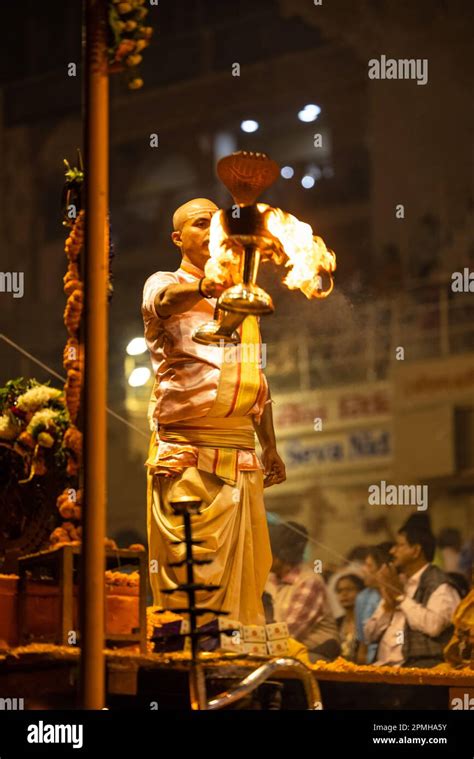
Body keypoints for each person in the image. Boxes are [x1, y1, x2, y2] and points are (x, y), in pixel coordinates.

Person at [142, 198, 286, 626]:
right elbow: (165, 301)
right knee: (192, 572)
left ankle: (240, 653)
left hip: (242, 453)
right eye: (200, 224)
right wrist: (207, 286)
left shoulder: (241, 298)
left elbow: (255, 378)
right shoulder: (164, 281)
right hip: (188, 451)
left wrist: (271, 447)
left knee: (249, 568)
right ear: (177, 237)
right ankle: (192, 662)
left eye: (215, 224)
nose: (210, 231)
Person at [364, 517, 461, 668]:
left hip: (420, 670)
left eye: (400, 545)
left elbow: (434, 626)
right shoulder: (398, 581)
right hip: (383, 667)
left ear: (415, 551)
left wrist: (400, 598)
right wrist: (388, 608)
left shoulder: (440, 585)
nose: (392, 551)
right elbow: (369, 635)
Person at [265, 521, 340, 661]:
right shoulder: (269, 580)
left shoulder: (309, 582)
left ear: (283, 555)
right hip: (283, 654)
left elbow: (287, 634)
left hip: (315, 656)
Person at [355, 542, 393, 664]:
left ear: (383, 568)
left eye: (369, 566)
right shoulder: (362, 598)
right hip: (371, 662)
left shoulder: (398, 596)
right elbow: (363, 644)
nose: (363, 569)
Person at [335, 574, 365, 661]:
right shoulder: (337, 623)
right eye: (340, 591)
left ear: (361, 592)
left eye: (349, 589)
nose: (344, 594)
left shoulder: (367, 622)